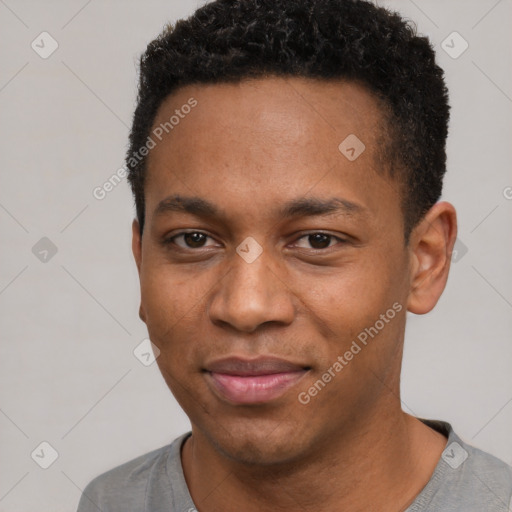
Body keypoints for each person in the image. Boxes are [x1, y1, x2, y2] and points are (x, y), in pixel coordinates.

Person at [77, 0, 512, 510]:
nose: (246, 307)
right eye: (194, 240)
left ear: (426, 260)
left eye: (317, 240)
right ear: (140, 260)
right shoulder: (109, 503)